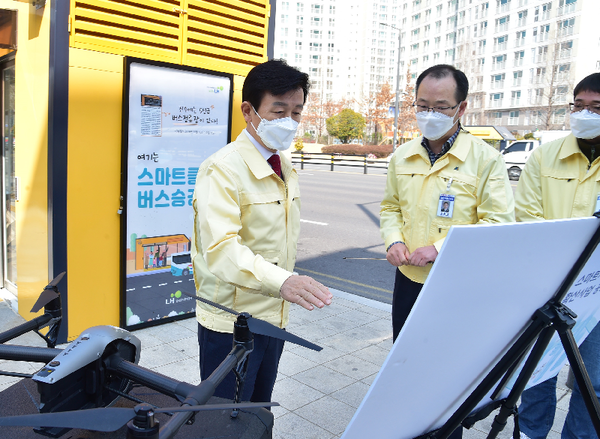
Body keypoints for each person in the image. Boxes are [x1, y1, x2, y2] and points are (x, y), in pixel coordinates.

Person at [380, 64, 515, 437]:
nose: (429, 114)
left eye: (441, 106)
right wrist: (393, 239)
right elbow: (391, 207)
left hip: (455, 286)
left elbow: (499, 224)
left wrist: (441, 248)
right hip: (408, 280)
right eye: (422, 105)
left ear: (461, 108)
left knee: (444, 373)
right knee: (404, 364)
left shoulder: (485, 160)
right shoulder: (402, 156)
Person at [192, 59, 333, 403]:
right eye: (278, 110)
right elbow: (221, 249)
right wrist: (282, 281)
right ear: (248, 110)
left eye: (297, 112)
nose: (289, 122)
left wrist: (281, 288)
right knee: (225, 418)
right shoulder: (222, 169)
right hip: (232, 324)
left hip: (273, 315)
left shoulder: (283, 165)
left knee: (259, 407)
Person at [516, 72, 600, 439]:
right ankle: (531, 434)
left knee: (593, 384)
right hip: (550, 288)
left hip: (598, 294)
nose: (584, 114)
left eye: (596, 107)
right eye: (578, 106)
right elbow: (528, 218)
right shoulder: (546, 156)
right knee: (536, 377)